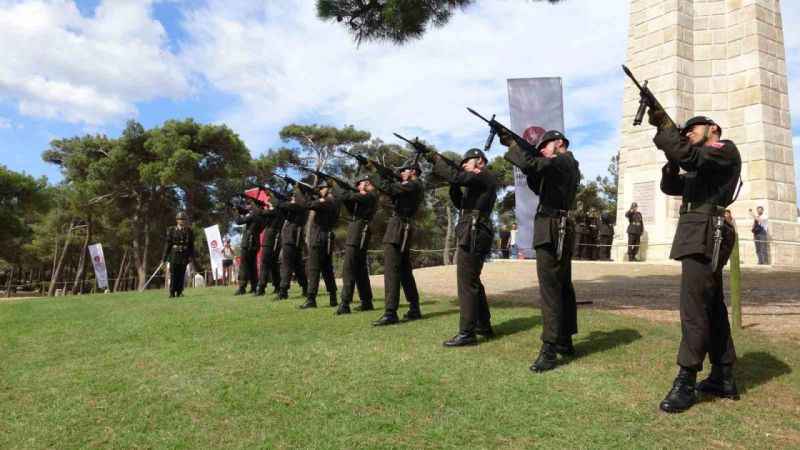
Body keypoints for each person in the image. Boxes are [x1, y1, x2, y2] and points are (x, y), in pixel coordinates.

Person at [650, 112, 741, 413]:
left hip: (706, 231)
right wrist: (671, 153)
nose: (688, 133)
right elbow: (672, 186)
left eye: (693, 129)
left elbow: (691, 158)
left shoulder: (722, 149)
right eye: (684, 130)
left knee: (693, 306)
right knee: (710, 303)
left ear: (712, 129)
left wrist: (667, 132)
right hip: (698, 229)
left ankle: (686, 380)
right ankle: (723, 375)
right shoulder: (702, 163)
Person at [500, 129, 580, 372]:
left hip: (553, 227)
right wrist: (525, 157)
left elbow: (535, 164)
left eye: (544, 146)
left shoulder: (565, 160)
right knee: (562, 285)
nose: (542, 150)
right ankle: (564, 339)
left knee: (550, 288)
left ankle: (550, 347)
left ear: (557, 144)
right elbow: (535, 176)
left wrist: (513, 144)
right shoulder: (560, 167)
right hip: (557, 226)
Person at [427, 148, 498, 346]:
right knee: (472, 280)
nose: (464, 164)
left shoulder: (485, 175)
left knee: (466, 282)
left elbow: (458, 176)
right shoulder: (474, 181)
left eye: (468, 161)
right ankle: (483, 325)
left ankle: (467, 332)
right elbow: (461, 203)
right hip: (471, 230)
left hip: (475, 231)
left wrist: (436, 159)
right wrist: (453, 185)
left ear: (480, 161)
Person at [371, 162, 425, 326]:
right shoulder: (412, 186)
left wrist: (373, 171)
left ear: (413, 172)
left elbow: (389, 189)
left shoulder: (413, 184)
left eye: (404, 171)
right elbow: (393, 195)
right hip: (402, 228)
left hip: (398, 228)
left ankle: (390, 312)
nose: (401, 173)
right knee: (404, 271)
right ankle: (414, 308)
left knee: (391, 271)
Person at [335, 176, 378, 315]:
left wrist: (335, 185)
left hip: (359, 231)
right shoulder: (361, 198)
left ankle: (345, 303)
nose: (366, 184)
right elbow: (347, 201)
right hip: (357, 229)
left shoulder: (370, 196)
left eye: (366, 183)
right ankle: (366, 301)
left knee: (349, 267)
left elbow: (344, 195)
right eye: (363, 183)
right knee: (359, 269)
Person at [299, 180, 340, 309]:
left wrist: (307, 194)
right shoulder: (332, 201)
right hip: (326, 237)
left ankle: (311, 298)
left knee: (314, 268)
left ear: (326, 189)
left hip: (319, 237)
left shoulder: (326, 201)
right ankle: (332, 296)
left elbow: (307, 205)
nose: (319, 190)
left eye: (321, 188)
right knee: (327, 269)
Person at [277, 185, 309, 300]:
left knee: (286, 265)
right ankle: (305, 287)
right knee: (297, 266)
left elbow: (283, 206)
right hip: (293, 238)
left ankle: (283, 291)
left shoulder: (300, 205)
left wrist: (279, 202)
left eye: (295, 195)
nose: (293, 197)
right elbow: (285, 212)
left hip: (291, 238)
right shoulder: (299, 206)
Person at [234, 197, 265, 295]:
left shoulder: (254, 214)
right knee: (252, 266)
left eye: (251, 204)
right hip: (255, 243)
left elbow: (239, 221)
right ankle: (254, 286)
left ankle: (242, 287)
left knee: (244, 265)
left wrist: (236, 212)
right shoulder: (261, 215)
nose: (249, 206)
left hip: (248, 242)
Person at [162, 211, 197, 298]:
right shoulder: (171, 230)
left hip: (184, 255)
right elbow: (168, 245)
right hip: (174, 254)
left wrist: (191, 257)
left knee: (182, 274)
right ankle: (172, 292)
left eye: (184, 219)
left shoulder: (189, 231)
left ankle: (180, 291)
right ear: (177, 220)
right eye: (180, 219)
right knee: (173, 274)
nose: (182, 221)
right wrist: (164, 258)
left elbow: (191, 246)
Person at [256, 194, 284, 297]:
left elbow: (260, 212)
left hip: (270, 239)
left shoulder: (275, 211)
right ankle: (277, 286)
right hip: (274, 238)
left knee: (264, 263)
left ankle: (261, 288)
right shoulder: (277, 212)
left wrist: (259, 205)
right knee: (273, 264)